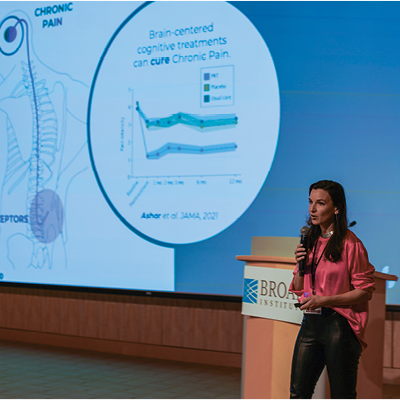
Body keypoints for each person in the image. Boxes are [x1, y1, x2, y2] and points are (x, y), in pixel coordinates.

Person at [289, 180, 375, 399]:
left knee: (342, 395)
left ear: (336, 208)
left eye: (320, 203)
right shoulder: (309, 241)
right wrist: (300, 266)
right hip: (310, 323)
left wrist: (324, 300)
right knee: (298, 393)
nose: (312, 209)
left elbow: (365, 291)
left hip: (340, 326)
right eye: (310, 202)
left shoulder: (350, 244)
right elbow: (299, 288)